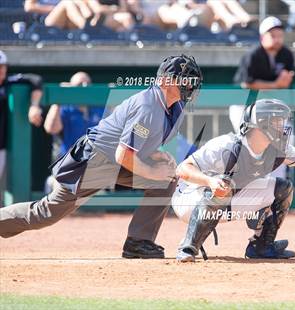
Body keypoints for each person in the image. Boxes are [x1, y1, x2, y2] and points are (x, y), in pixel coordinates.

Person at [0, 55, 203, 261]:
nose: (190, 85)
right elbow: (123, 154)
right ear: (165, 81)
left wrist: (159, 155)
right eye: (184, 79)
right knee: (46, 213)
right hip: (93, 161)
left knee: (167, 178)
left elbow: (140, 144)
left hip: (118, 161)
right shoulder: (147, 106)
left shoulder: (176, 108)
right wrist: (152, 171)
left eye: (192, 80)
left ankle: (138, 242)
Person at [172, 99, 295, 262]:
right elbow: (182, 169)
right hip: (189, 202)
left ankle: (261, 247)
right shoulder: (227, 146)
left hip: (225, 202)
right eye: (277, 122)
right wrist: (210, 181)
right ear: (261, 123)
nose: (283, 127)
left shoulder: (277, 148)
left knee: (283, 188)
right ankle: (188, 248)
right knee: (221, 184)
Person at [43, 72, 104, 193]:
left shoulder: (99, 108)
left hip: (93, 168)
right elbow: (51, 128)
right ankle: (51, 182)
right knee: (62, 200)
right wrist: (59, 97)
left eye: (87, 83)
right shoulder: (65, 108)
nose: (84, 87)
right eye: (80, 84)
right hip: (67, 166)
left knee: (97, 205)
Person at [0, 50, 44, 205]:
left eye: (2, 67)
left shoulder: (8, 83)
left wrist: (34, 106)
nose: (1, 71)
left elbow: (35, 80)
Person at [234, 16, 295, 90]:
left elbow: (287, 81)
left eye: (280, 36)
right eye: (273, 36)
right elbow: (246, 84)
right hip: (246, 98)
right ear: (262, 37)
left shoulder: (287, 54)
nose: (277, 40)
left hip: (276, 98)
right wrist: (275, 85)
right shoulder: (253, 54)